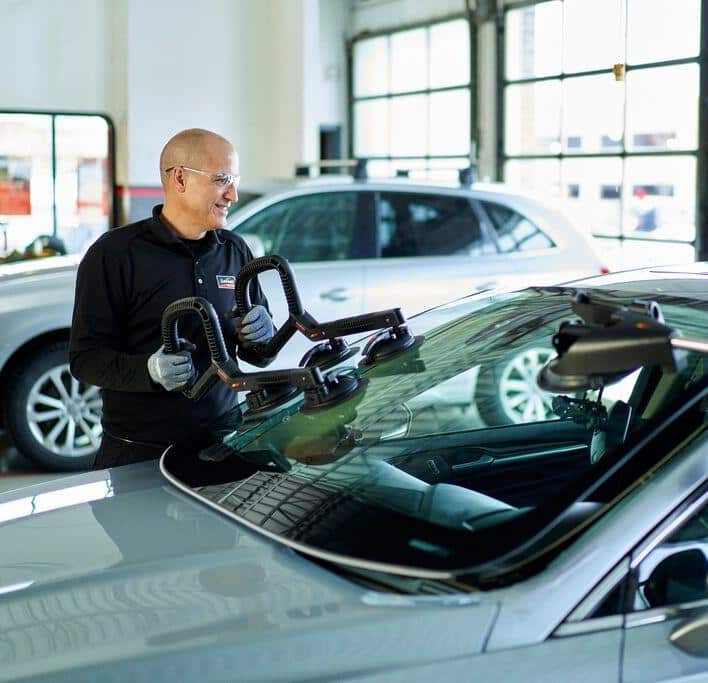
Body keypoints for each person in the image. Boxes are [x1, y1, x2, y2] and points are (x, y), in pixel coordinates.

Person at [70, 128, 275, 469]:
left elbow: (258, 356)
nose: (234, 195)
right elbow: (85, 359)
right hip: (138, 453)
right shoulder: (115, 255)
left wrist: (262, 335)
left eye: (235, 180)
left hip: (222, 443)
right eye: (222, 179)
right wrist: (149, 370)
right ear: (180, 178)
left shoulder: (235, 250)